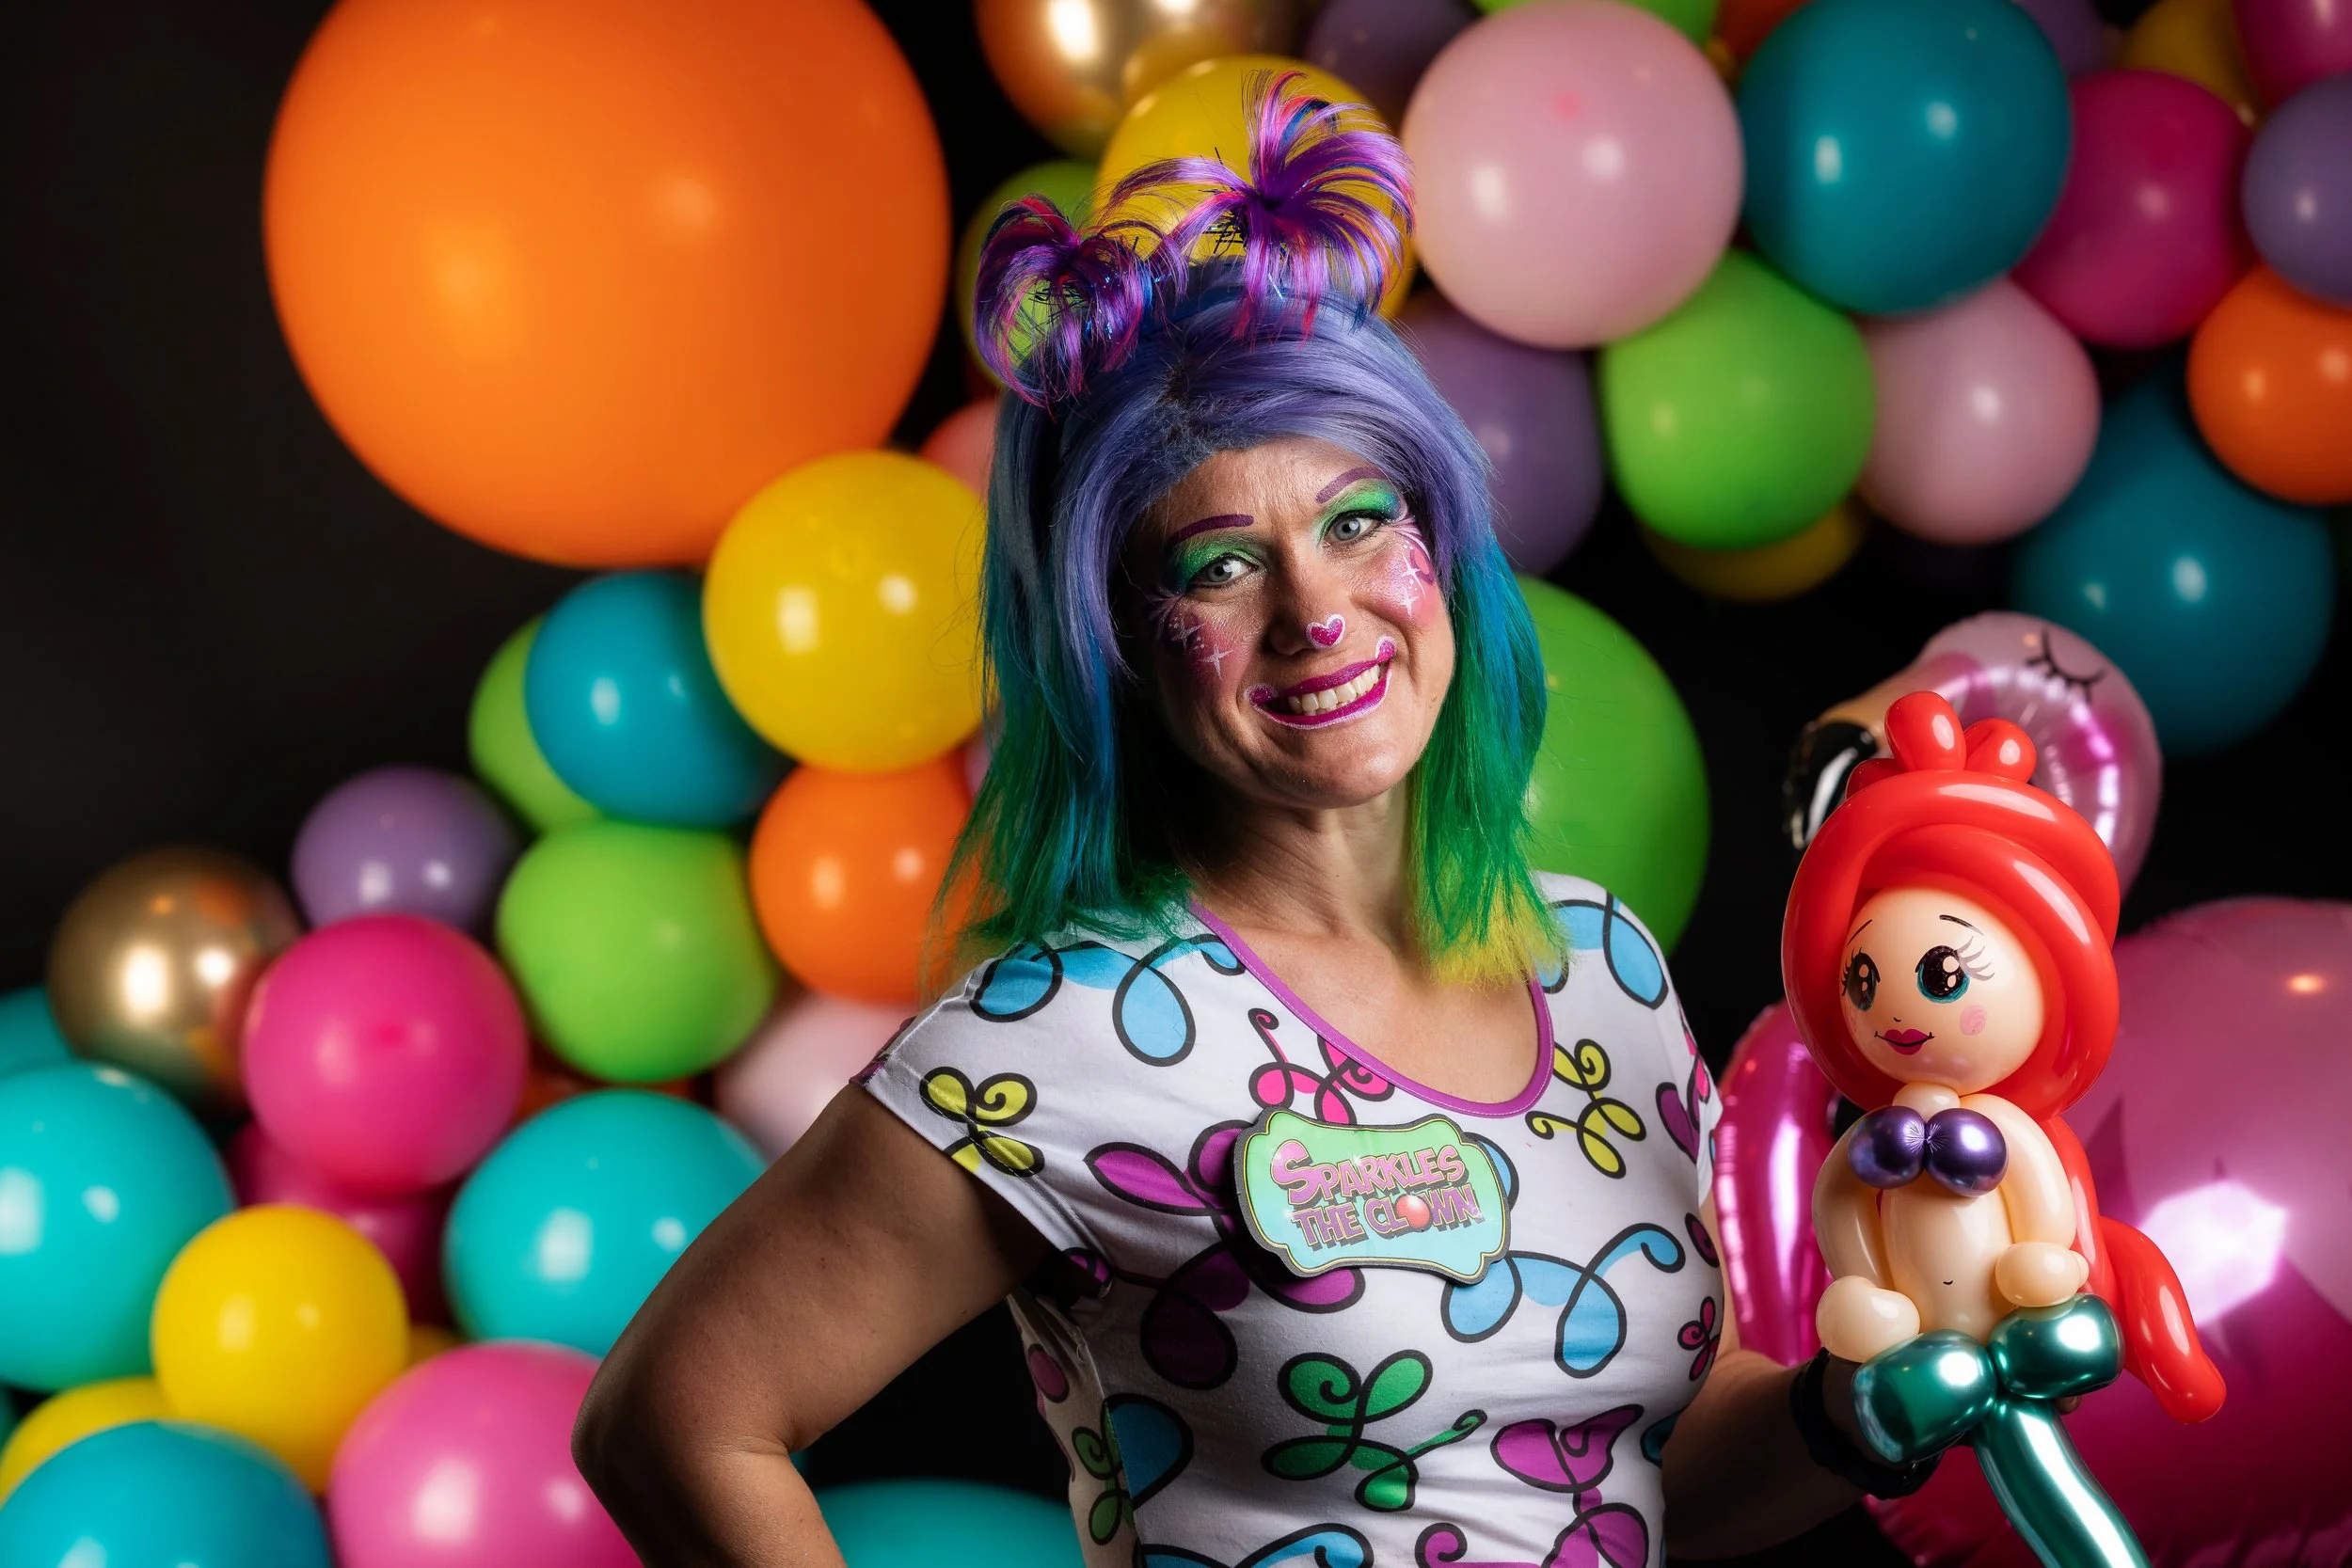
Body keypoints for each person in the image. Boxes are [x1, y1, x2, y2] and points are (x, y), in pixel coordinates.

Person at [577, 78, 1913, 1567]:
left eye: (1356, 524)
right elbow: (673, 1417)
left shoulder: (1597, 962)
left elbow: (1636, 1477)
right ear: (1117, 646)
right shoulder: (1062, 1032)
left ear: (1444, 556)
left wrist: (1858, 1418)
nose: (1315, 616)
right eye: (1219, 564)